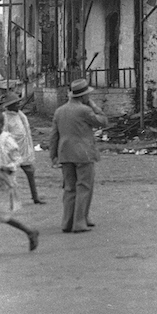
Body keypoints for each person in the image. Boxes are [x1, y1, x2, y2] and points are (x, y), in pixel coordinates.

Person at [0, 112, 39, 260]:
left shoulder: (7, 140)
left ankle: (30, 231)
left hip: (3, 183)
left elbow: (17, 159)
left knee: (3, 217)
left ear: (2, 125)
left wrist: (8, 168)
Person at [50, 78, 108, 233]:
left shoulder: (59, 111)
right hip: (83, 154)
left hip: (65, 153)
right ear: (83, 96)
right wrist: (94, 106)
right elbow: (103, 121)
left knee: (69, 188)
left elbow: (54, 135)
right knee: (84, 186)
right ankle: (80, 222)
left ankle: (67, 222)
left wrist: (53, 155)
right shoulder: (85, 110)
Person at [0, 92, 43, 204]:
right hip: (12, 152)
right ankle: (10, 200)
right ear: (9, 106)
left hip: (24, 150)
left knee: (30, 172)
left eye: (18, 103)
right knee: (10, 177)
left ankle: (35, 197)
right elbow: (4, 136)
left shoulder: (21, 116)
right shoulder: (5, 118)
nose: (18, 106)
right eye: (15, 104)